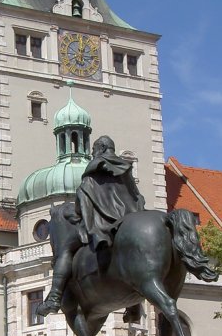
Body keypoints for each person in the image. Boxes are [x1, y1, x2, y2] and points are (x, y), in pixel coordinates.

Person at [38, 135, 145, 316]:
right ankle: (134, 305)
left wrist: (77, 214)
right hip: (129, 221)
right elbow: (138, 198)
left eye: (94, 150)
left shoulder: (95, 167)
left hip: (105, 223)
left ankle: (54, 297)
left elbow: (85, 196)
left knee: (66, 251)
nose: (93, 153)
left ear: (101, 148)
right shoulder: (126, 168)